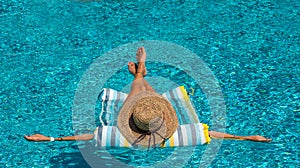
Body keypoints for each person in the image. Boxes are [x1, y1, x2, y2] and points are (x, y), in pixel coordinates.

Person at [24, 47, 272, 145]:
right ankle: (140, 72)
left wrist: (51, 139)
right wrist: (245, 137)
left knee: (139, 90)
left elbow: (88, 136)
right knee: (145, 92)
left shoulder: (123, 131)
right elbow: (211, 133)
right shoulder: (169, 130)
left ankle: (140, 73)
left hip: (147, 114)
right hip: (152, 114)